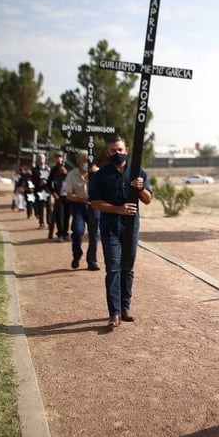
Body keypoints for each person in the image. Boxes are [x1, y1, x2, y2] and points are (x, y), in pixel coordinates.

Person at [89, 135, 152, 329]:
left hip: (131, 228)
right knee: (113, 269)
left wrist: (140, 189)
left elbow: (148, 199)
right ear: (108, 153)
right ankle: (114, 313)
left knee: (128, 269)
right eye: (113, 150)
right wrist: (118, 209)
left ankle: (125, 308)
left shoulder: (137, 172)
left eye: (120, 150)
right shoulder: (101, 175)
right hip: (110, 229)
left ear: (126, 150)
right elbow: (95, 202)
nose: (118, 153)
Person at [65, 150, 100, 271]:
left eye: (89, 160)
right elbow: (69, 195)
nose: (87, 162)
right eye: (84, 160)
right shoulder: (72, 175)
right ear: (78, 161)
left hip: (94, 206)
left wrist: (97, 173)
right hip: (78, 206)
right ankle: (77, 254)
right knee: (78, 231)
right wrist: (81, 199)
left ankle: (92, 261)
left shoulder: (98, 173)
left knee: (94, 234)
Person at [49, 151, 71, 241]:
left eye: (60, 157)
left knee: (67, 215)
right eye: (57, 157)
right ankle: (60, 234)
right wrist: (53, 192)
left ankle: (66, 233)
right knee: (59, 215)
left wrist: (66, 173)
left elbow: (74, 178)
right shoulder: (54, 170)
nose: (59, 159)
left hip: (68, 195)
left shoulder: (68, 167)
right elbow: (49, 182)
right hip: (59, 196)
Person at [31, 153, 51, 229]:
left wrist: (47, 180)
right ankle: (41, 223)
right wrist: (40, 182)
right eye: (39, 158)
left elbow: (52, 179)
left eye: (42, 158)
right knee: (41, 207)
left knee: (49, 207)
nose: (41, 160)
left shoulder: (48, 168)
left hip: (47, 189)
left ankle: (49, 222)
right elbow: (33, 180)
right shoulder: (34, 169)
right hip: (39, 190)